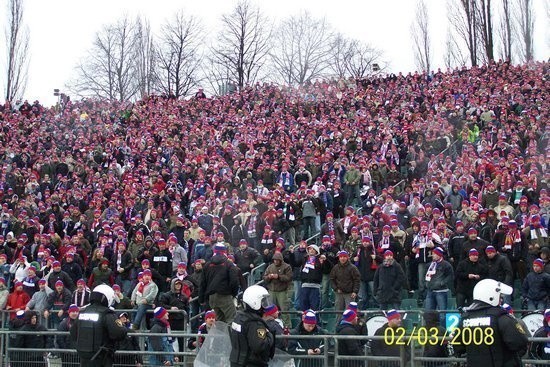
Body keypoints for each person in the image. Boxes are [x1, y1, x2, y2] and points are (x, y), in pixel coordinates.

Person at [455, 278, 529, 366]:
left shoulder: (465, 319)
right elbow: (520, 343)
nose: (501, 300)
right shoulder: (502, 318)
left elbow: (458, 347)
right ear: (491, 296)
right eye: (499, 296)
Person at [70, 284, 128, 367]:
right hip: (102, 358)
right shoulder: (107, 314)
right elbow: (119, 333)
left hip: (84, 357)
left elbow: (73, 333)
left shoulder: (83, 312)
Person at [229, 284, 275, 367]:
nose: (265, 305)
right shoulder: (255, 323)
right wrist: (269, 335)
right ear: (255, 302)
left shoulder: (239, 317)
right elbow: (259, 347)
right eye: (263, 301)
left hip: (236, 362)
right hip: (251, 363)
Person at [199, 244, 239, 323]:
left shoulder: (207, 265)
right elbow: (234, 281)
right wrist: (234, 293)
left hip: (212, 298)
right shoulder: (229, 264)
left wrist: (201, 299)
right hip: (225, 295)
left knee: (220, 321)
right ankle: (231, 335)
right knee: (232, 319)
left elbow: (202, 283)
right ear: (225, 251)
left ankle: (219, 335)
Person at [424, 247, 454, 325]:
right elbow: (426, 276)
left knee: (442, 314)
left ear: (439, 255)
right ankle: (429, 330)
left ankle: (443, 331)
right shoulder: (429, 265)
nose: (433, 255)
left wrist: (442, 283)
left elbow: (450, 276)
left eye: (434, 254)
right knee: (429, 313)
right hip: (430, 291)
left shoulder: (446, 265)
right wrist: (427, 284)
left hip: (441, 292)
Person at [263, 251, 293, 327]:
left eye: (277, 260)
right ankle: (271, 326)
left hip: (282, 291)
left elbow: (289, 277)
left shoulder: (287, 266)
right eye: (274, 260)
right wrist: (269, 277)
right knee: (270, 311)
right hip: (271, 291)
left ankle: (287, 327)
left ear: (280, 260)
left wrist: (278, 276)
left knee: (284, 311)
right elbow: (264, 277)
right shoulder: (270, 267)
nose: (275, 261)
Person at [329, 250, 361, 316]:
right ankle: (337, 326)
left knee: (350, 313)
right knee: (338, 312)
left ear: (347, 258)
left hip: (350, 294)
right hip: (339, 293)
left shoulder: (353, 268)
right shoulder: (335, 268)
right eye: (341, 257)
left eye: (344, 257)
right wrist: (336, 288)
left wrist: (355, 291)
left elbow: (357, 280)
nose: (342, 258)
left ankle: (349, 326)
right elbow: (332, 279)